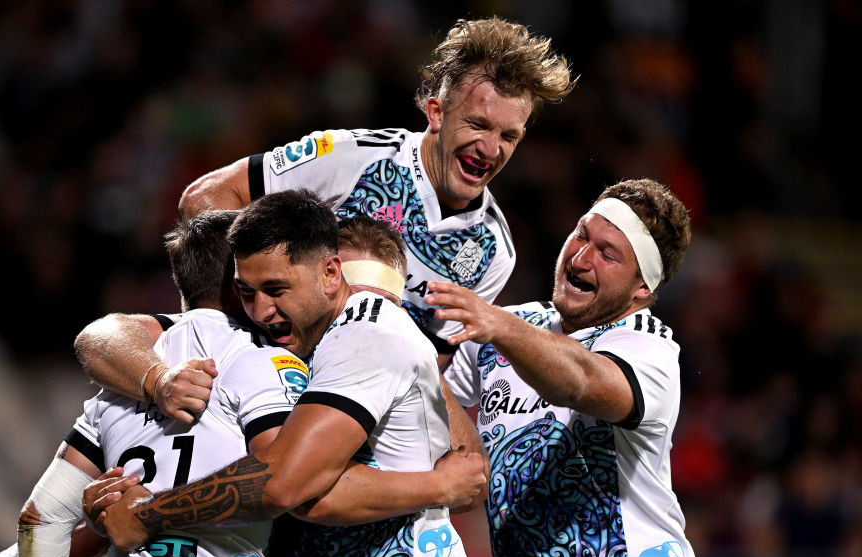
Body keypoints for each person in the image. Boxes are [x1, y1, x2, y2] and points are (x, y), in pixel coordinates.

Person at [85, 190, 484, 557]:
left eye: (276, 289)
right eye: (248, 293)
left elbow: (286, 487)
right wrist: (158, 381)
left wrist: (148, 515)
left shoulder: (365, 335)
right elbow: (101, 336)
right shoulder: (283, 348)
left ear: (332, 275)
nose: (261, 309)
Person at [428, 179, 715, 557]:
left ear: (642, 287)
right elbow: (422, 389)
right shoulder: (510, 329)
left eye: (608, 254)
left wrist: (494, 323)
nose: (580, 259)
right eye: (581, 235)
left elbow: (579, 380)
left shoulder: (647, 347)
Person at [174, 16, 575, 368]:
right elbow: (207, 195)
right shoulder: (354, 158)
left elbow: (432, 362)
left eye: (508, 135)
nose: (491, 149)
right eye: (477, 125)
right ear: (436, 113)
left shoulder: (493, 253)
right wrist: (230, 327)